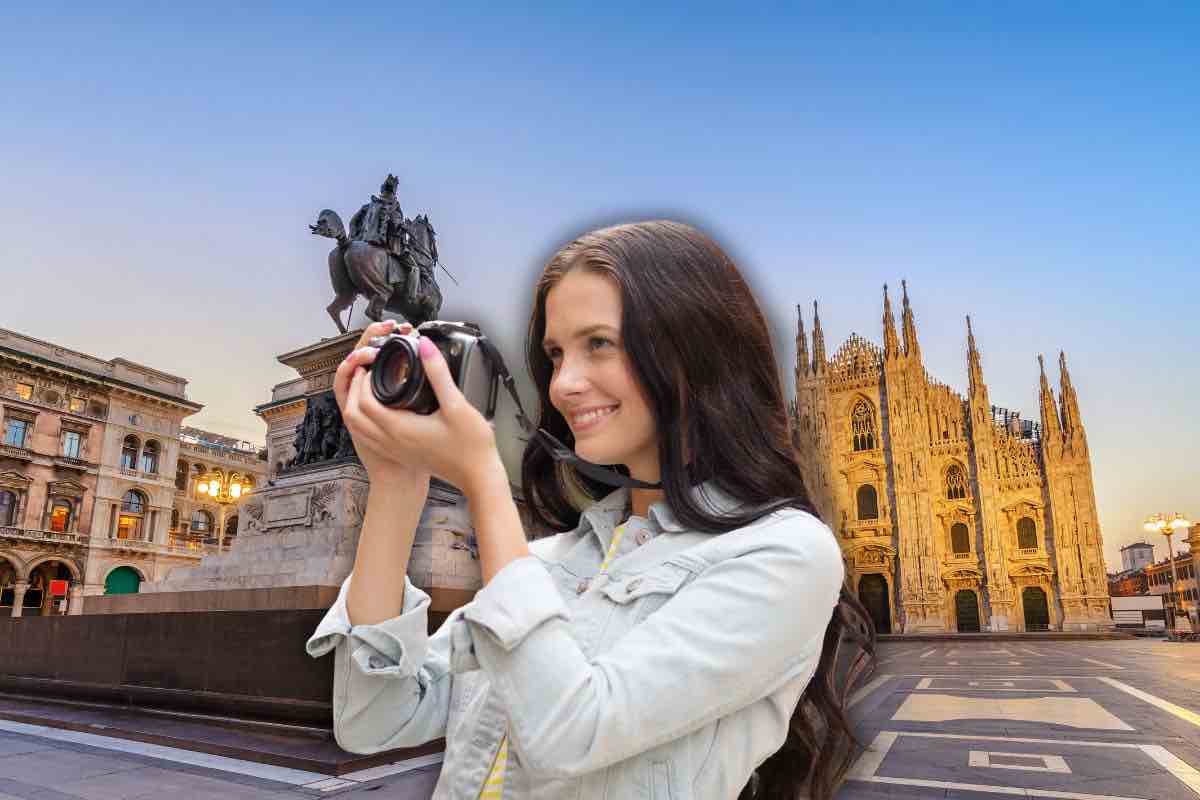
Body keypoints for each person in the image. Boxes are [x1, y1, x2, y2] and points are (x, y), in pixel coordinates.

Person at [306, 220, 876, 800]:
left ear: (694, 353)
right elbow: (375, 719)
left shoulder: (784, 553)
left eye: (598, 343)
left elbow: (569, 735)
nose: (562, 385)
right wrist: (398, 489)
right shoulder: (548, 561)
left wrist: (483, 480)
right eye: (555, 355)